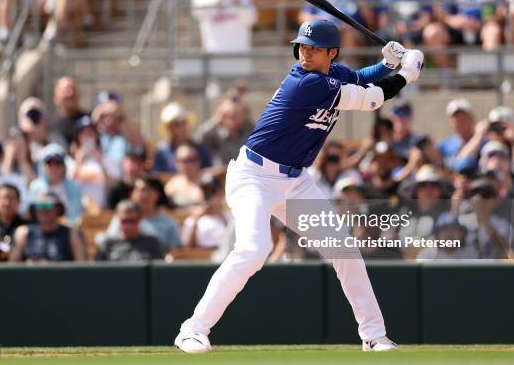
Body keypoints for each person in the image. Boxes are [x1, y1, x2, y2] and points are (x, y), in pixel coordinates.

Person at [174, 18, 424, 353]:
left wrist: (387, 64)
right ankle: (192, 329)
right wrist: (407, 74)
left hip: (295, 181)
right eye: (302, 46)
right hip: (255, 177)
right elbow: (372, 99)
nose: (305, 53)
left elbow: (362, 78)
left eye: (314, 48)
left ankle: (374, 335)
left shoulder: (331, 74)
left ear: (331, 53)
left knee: (344, 250)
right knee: (254, 249)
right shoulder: (306, 83)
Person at [105, 176, 181, 250]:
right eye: (140, 190)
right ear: (132, 194)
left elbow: (175, 252)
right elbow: (110, 245)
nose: (145, 195)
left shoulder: (169, 223)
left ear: (158, 194)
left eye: (149, 190)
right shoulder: (122, 219)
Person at [10, 192, 85, 262]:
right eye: (39, 206)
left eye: (47, 205)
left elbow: (81, 265)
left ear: (58, 209)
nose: (43, 210)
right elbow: (13, 266)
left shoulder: (71, 234)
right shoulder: (24, 233)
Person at [28, 143, 83, 226]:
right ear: (43, 166)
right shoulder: (35, 187)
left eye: (57, 163)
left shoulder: (74, 187)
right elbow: (32, 214)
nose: (53, 168)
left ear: (64, 165)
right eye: (49, 163)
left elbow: (76, 216)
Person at [153, 102, 213, 173]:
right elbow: (159, 177)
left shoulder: (201, 150)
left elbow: (209, 175)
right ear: (169, 128)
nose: (181, 127)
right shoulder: (162, 153)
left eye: (183, 122)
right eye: (176, 124)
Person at [96, 200, 164, 262]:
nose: (128, 226)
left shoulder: (152, 243)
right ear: (118, 220)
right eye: (124, 221)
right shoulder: (107, 244)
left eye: (132, 221)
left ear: (140, 220)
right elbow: (98, 271)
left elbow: (159, 271)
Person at [197, 96, 254, 167]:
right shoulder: (216, 135)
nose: (233, 119)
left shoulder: (247, 133)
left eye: (237, 115)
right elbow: (200, 135)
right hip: (221, 175)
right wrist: (216, 119)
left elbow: (255, 128)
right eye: (228, 115)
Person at [181, 175, 232, 249]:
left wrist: (221, 216)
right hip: (200, 258)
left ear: (221, 193)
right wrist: (196, 220)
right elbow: (187, 248)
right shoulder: (192, 220)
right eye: (205, 192)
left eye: (213, 191)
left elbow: (237, 242)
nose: (209, 196)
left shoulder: (231, 217)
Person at [47, 77, 89, 147]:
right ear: (55, 97)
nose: (70, 94)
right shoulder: (48, 124)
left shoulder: (89, 120)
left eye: (73, 89)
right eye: (66, 90)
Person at [438, 98, 475, 170]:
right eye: (456, 118)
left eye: (463, 117)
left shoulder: (482, 142)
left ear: (471, 119)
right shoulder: (444, 145)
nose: (460, 122)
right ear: (450, 122)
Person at [165, 144, 205, 209]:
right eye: (185, 160)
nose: (189, 164)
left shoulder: (207, 180)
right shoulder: (172, 184)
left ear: (199, 161)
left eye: (192, 159)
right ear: (176, 163)